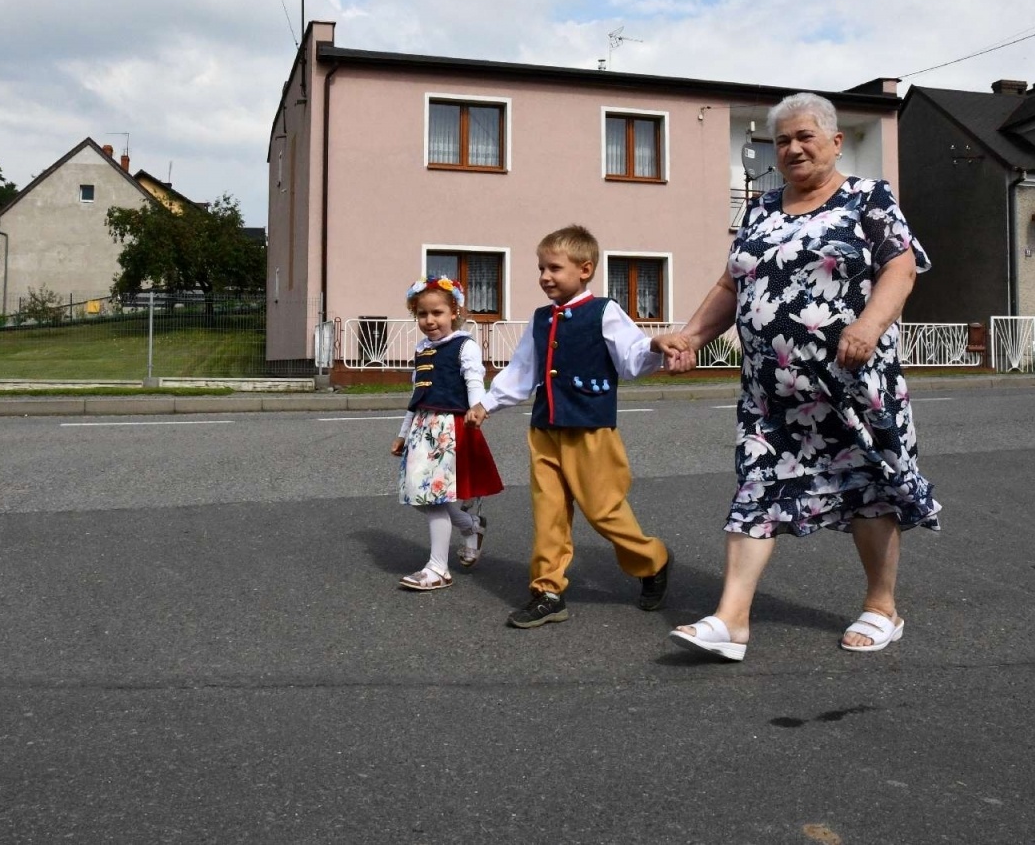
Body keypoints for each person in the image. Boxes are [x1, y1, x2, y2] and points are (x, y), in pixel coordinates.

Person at [653, 92, 939, 662]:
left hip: (852, 382)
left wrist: (868, 324)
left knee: (870, 489)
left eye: (805, 136)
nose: (792, 148)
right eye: (781, 140)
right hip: (771, 394)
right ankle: (731, 620)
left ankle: (882, 607)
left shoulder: (867, 199)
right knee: (756, 488)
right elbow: (732, 286)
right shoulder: (759, 210)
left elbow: (900, 267)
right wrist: (688, 337)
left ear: (835, 142)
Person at [465, 225, 672, 628]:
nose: (544, 276)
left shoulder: (604, 311)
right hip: (545, 430)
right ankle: (547, 591)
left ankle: (653, 560)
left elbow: (630, 358)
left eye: (554, 268)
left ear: (585, 269)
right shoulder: (542, 319)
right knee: (548, 513)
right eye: (541, 268)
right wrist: (487, 402)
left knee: (603, 511)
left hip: (591, 431)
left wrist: (653, 346)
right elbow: (523, 369)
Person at [392, 276, 503, 591]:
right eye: (423, 314)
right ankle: (470, 526)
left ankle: (438, 568)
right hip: (422, 427)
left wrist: (476, 408)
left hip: (450, 428)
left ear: (454, 310)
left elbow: (473, 379)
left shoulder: (463, 344)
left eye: (437, 313)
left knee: (434, 497)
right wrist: (402, 433)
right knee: (418, 496)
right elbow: (417, 395)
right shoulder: (421, 350)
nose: (430, 321)